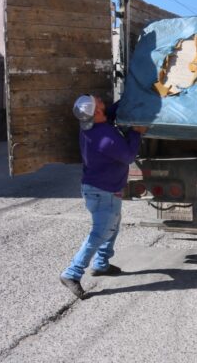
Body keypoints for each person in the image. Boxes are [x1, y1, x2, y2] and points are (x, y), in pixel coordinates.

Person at [59, 94, 147, 299]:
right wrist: (136, 133)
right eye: (97, 101)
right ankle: (71, 273)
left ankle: (101, 263)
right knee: (101, 231)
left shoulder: (92, 124)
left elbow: (111, 112)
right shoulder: (104, 137)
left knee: (112, 225)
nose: (99, 98)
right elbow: (128, 156)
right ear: (97, 111)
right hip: (102, 192)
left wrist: (134, 94)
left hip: (101, 189)